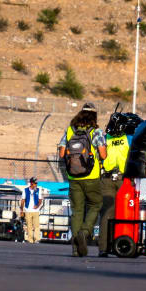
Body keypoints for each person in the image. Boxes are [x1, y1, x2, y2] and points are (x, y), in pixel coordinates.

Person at [57, 103, 106, 257]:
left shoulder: (70, 130)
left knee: (77, 211)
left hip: (73, 177)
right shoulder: (96, 132)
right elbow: (103, 155)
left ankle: (75, 249)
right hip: (91, 177)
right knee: (95, 205)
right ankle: (84, 233)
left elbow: (61, 153)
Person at [96, 111, 132, 257]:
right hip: (120, 179)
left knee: (108, 214)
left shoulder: (105, 137)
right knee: (119, 213)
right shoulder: (128, 138)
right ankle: (115, 246)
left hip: (111, 178)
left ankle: (107, 248)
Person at [22, 177, 42, 244]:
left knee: (36, 226)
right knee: (29, 226)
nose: (36, 184)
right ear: (31, 183)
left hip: (36, 211)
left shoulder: (38, 190)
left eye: (36, 183)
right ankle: (30, 240)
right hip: (28, 210)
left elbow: (40, 200)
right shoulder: (25, 190)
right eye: (35, 183)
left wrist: (37, 206)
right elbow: (23, 200)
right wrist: (21, 210)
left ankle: (37, 239)